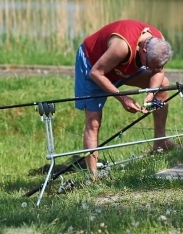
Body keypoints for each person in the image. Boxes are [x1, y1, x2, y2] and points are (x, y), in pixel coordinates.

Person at [74, 19, 174, 177]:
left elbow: (158, 72)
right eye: (148, 65)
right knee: (93, 121)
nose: (148, 69)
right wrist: (123, 98)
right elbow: (96, 73)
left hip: (121, 68)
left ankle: (160, 142)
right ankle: (92, 177)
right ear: (144, 51)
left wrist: (150, 94)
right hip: (94, 66)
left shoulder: (157, 41)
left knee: (163, 85)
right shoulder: (122, 46)